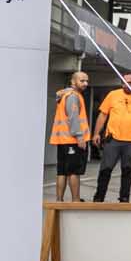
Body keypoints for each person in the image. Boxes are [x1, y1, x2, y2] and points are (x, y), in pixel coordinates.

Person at [92, 71, 131, 203]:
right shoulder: (113, 95)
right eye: (125, 82)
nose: (127, 85)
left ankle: (124, 198)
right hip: (112, 140)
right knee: (105, 169)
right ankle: (99, 197)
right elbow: (103, 115)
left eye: (130, 82)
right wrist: (96, 133)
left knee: (127, 171)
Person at [48, 70, 92, 202]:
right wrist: (79, 137)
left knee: (62, 171)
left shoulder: (66, 95)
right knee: (74, 171)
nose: (85, 83)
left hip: (63, 140)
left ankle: (59, 200)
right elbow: (73, 117)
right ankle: (76, 200)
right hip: (72, 140)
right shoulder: (73, 96)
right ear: (73, 82)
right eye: (82, 81)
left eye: (87, 81)